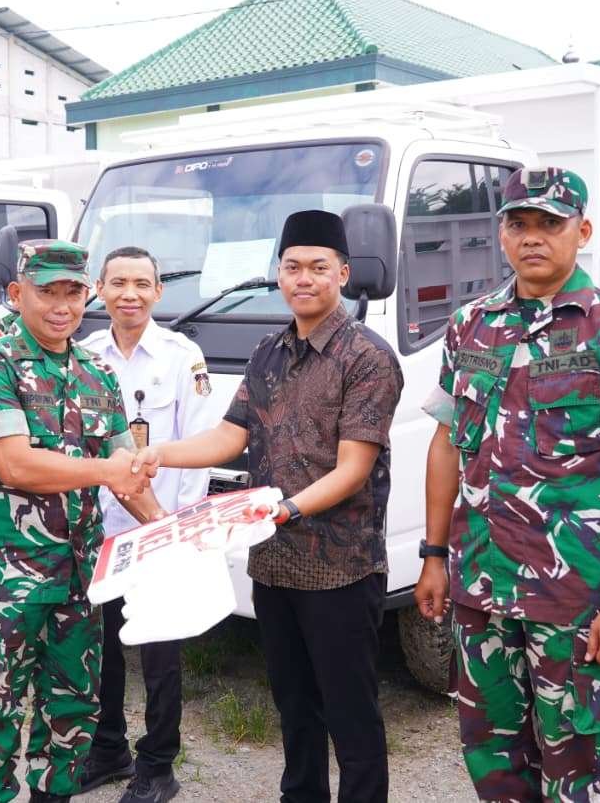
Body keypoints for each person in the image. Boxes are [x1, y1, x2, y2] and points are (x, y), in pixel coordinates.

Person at [414, 168, 600, 802]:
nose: (533, 237)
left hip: (572, 595)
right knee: (492, 756)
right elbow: (447, 443)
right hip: (480, 584)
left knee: (577, 764)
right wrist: (433, 556)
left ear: (582, 232)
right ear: (502, 234)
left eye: (550, 224)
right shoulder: (470, 324)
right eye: (519, 223)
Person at [132, 210, 403, 803]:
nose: (304, 279)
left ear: (343, 273)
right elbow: (230, 435)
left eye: (318, 267)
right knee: (294, 706)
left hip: (340, 569)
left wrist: (287, 510)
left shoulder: (367, 357)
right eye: (292, 267)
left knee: (351, 714)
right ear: (278, 274)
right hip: (274, 565)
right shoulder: (268, 350)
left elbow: (353, 468)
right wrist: (160, 454)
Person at [0, 240, 161, 803]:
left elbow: (126, 470)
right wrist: (108, 471)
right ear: (17, 293)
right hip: (4, 580)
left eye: (73, 292)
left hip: (78, 579)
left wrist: (166, 528)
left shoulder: (98, 374)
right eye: (47, 292)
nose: (62, 306)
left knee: (71, 711)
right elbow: (15, 463)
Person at [78, 246, 215, 803]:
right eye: (118, 283)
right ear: (100, 289)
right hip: (100, 531)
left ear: (158, 291)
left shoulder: (182, 356)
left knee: (159, 654)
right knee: (101, 649)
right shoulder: (85, 354)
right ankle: (107, 747)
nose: (129, 294)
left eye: (141, 283)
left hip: (161, 530)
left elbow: (199, 447)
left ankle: (158, 764)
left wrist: (177, 529)